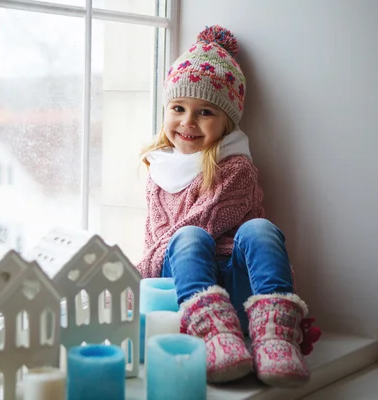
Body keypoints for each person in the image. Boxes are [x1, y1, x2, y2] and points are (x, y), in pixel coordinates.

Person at [137, 25, 321, 387]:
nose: (187, 122)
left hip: (238, 293)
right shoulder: (157, 168)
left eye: (205, 112)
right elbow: (162, 240)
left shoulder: (236, 168)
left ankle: (275, 335)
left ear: (227, 121)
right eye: (178, 107)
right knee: (188, 239)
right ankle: (214, 339)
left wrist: (135, 271)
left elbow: (201, 221)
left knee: (257, 229)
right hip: (189, 297)